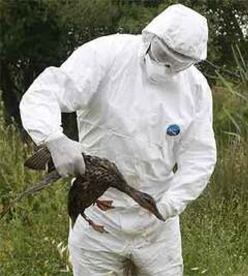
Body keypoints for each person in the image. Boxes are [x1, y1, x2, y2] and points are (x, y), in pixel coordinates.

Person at [19, 4, 216, 275]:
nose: (167, 66)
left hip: (156, 224)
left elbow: (199, 156)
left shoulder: (195, 88)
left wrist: (170, 204)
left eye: (179, 63)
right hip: (97, 217)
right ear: (150, 37)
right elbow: (45, 93)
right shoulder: (105, 55)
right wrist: (54, 138)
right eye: (162, 55)